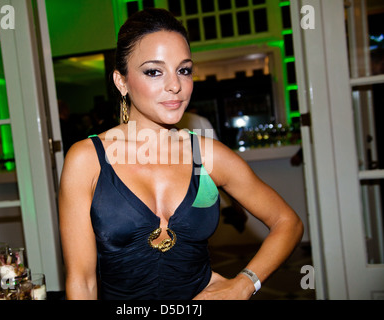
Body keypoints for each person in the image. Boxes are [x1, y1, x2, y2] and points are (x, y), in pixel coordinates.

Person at [58, 8, 303, 300]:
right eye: (154, 71)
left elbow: (287, 222)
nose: (175, 85)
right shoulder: (87, 159)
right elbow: (82, 283)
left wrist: (243, 285)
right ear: (121, 81)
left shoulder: (207, 154)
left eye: (184, 70)